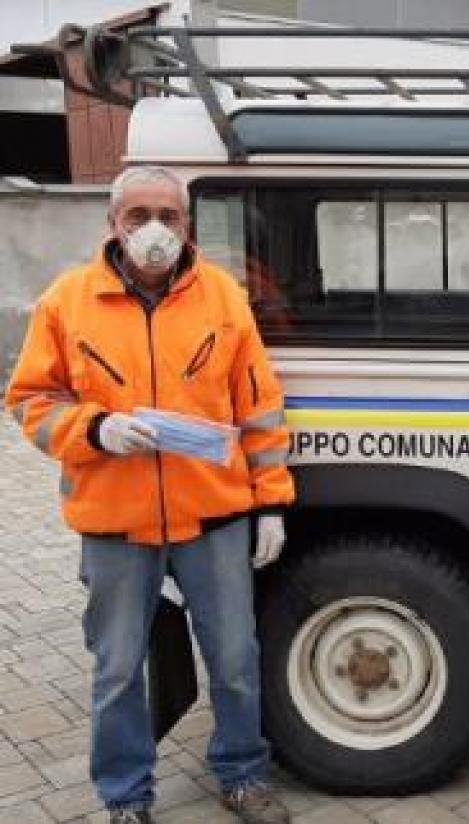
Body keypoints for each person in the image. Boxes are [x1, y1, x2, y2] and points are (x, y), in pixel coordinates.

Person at [5, 166, 295, 824]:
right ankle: (126, 797)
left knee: (235, 659)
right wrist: (96, 429)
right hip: (115, 523)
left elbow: (259, 407)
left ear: (187, 225)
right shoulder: (66, 301)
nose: (154, 229)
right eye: (138, 216)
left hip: (214, 517)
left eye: (168, 215)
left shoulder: (224, 298)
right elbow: (30, 400)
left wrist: (272, 502)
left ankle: (243, 775)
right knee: (116, 671)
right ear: (113, 223)